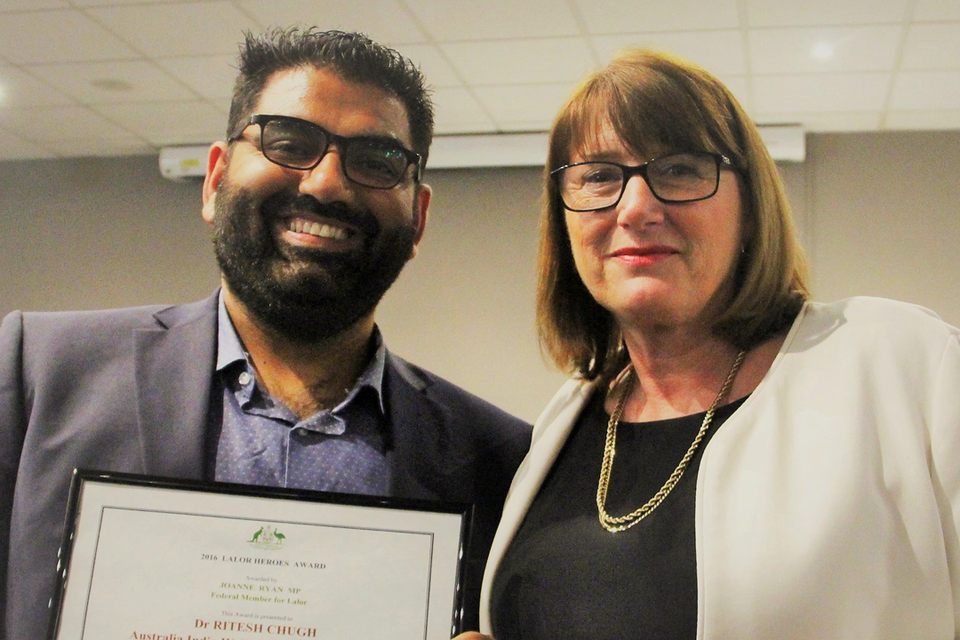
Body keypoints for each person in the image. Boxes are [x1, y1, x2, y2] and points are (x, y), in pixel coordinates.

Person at [0, 28, 530, 639]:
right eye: (289, 141)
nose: (327, 183)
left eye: (378, 161)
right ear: (214, 179)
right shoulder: (39, 372)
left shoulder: (500, 459)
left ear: (419, 220)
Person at [471, 49, 960, 639]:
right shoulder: (562, 425)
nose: (636, 208)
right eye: (599, 176)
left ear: (750, 208)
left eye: (678, 169)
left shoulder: (905, 366)